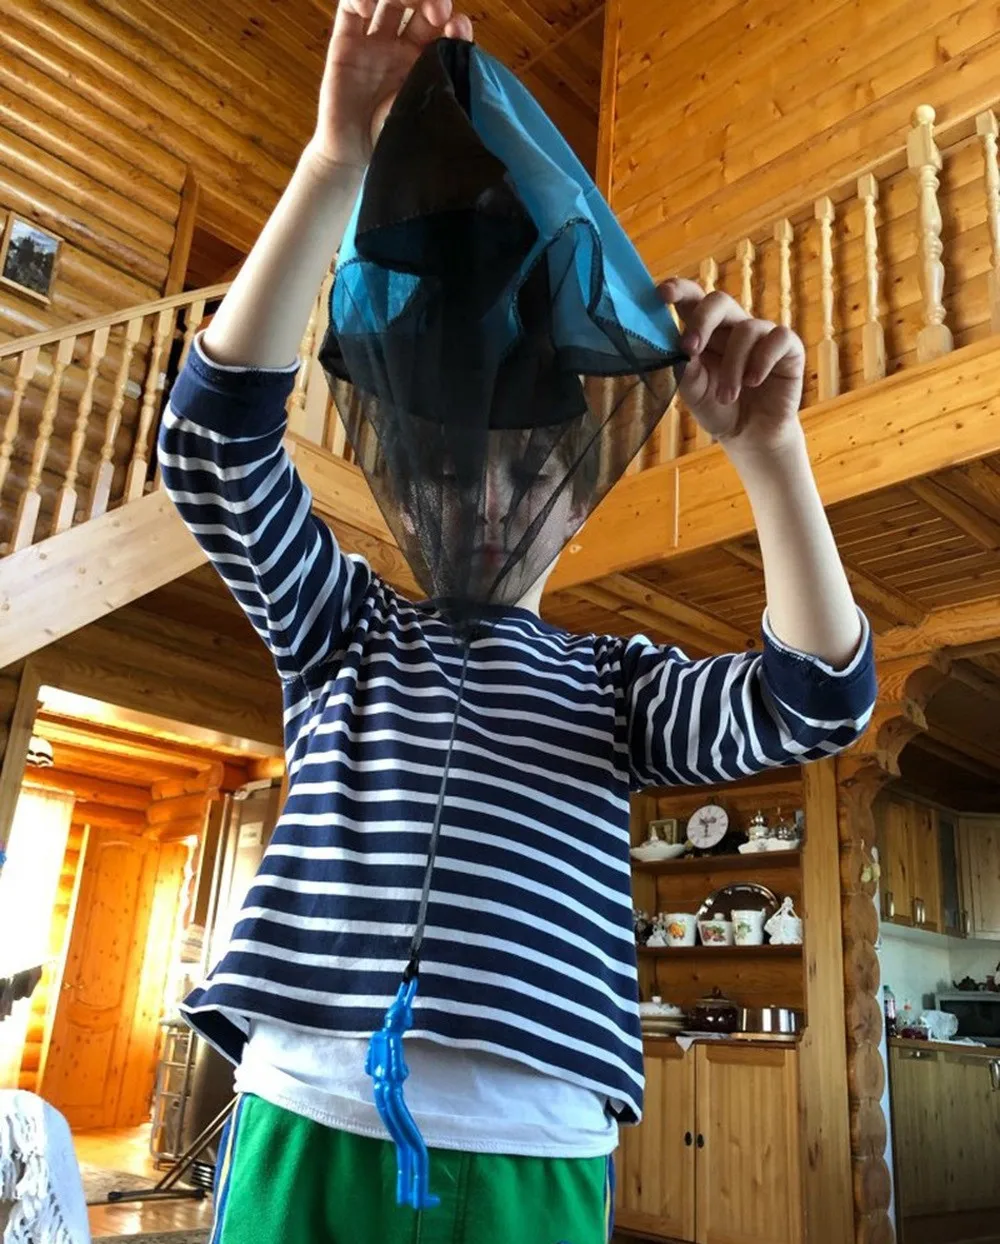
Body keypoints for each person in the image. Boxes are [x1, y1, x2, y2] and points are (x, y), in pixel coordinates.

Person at [157, 2, 877, 1241]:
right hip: (305, 1115)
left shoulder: (614, 686)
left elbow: (815, 698)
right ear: (412, 481)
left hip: (534, 1152)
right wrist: (335, 155)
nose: (485, 499)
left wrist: (772, 457)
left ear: (570, 502)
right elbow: (211, 452)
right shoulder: (344, 630)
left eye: (521, 472)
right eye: (454, 471)